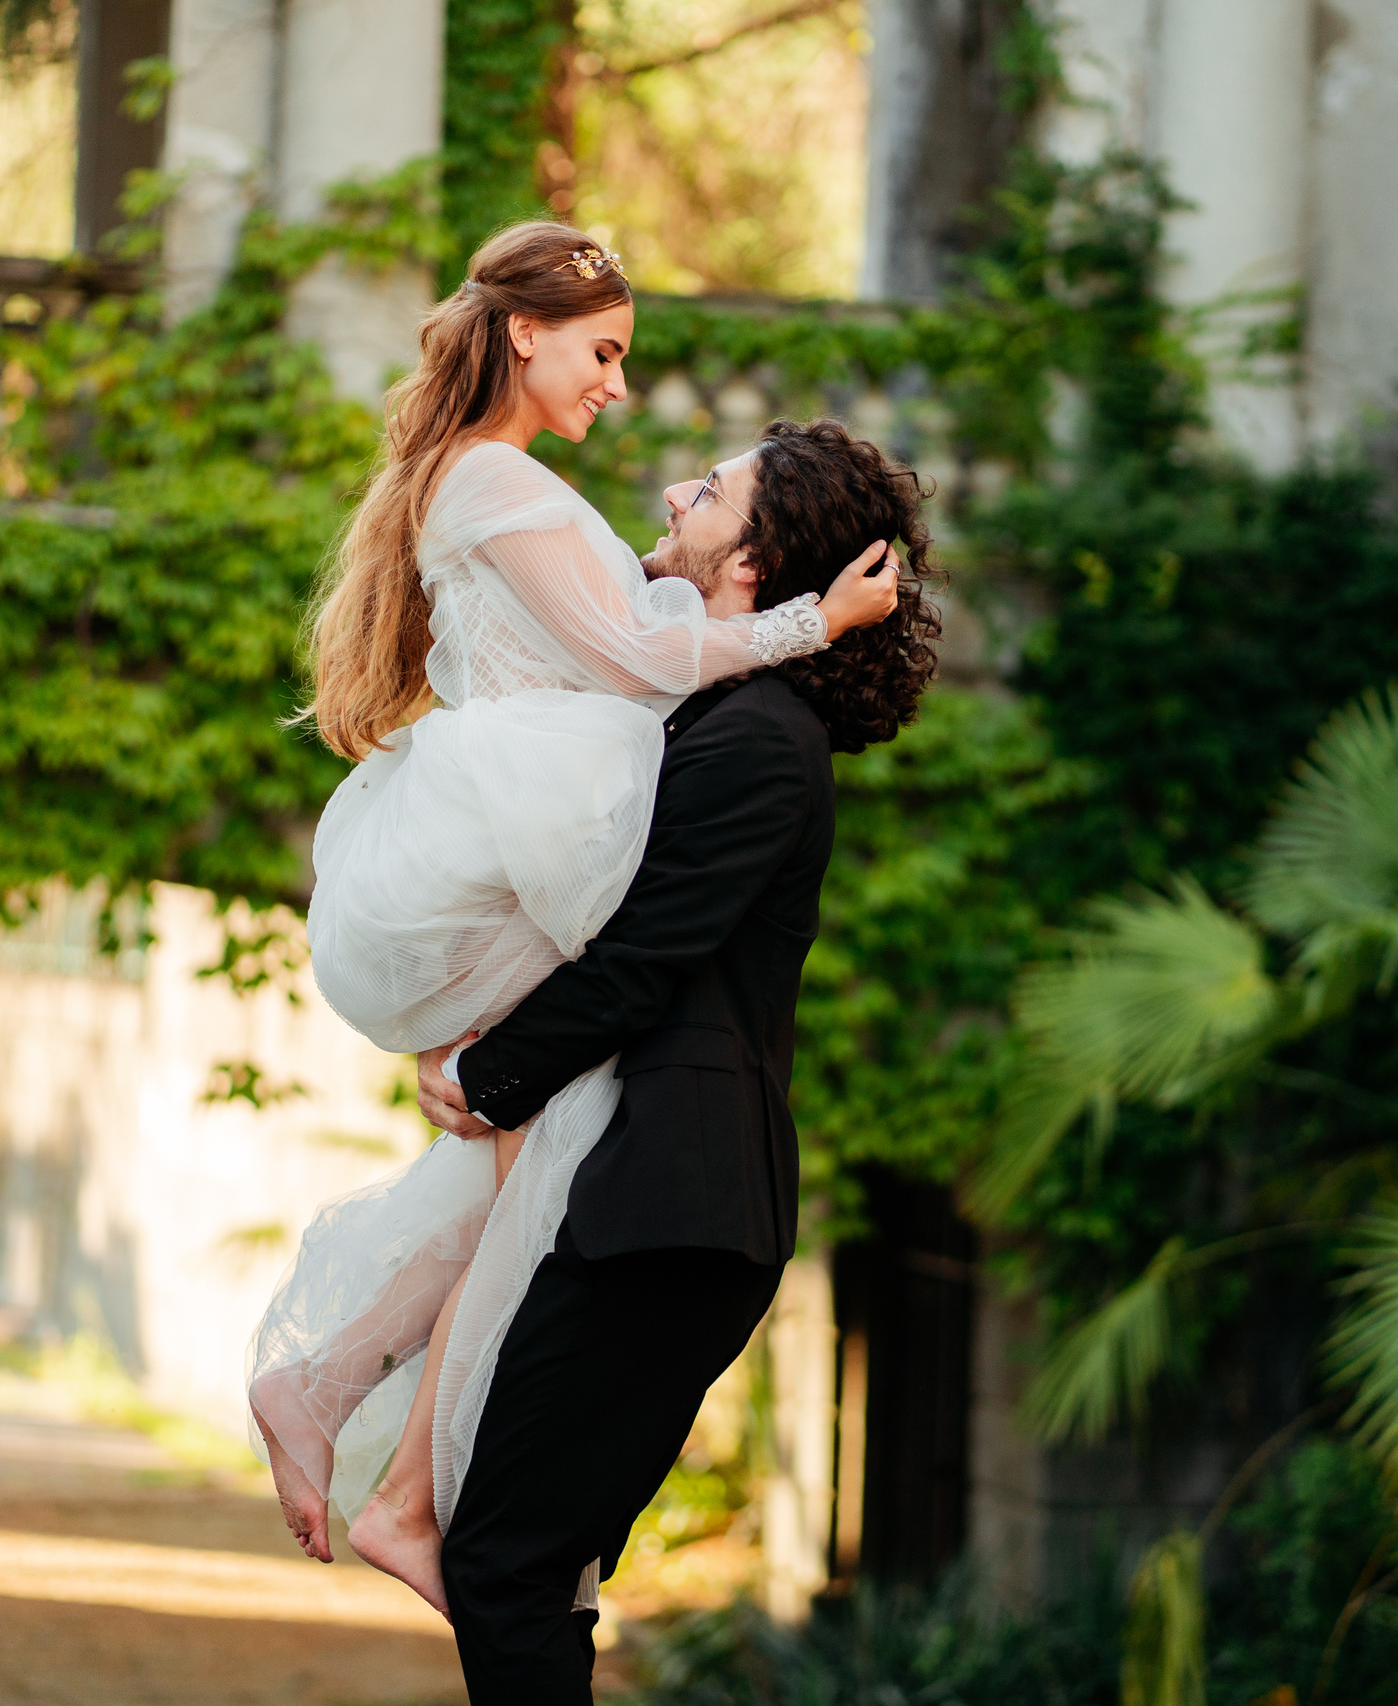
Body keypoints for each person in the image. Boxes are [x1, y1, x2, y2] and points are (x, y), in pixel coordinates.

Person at [240, 222, 906, 1615]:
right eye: (603, 351)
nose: (617, 384)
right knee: (534, 1133)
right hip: (530, 817)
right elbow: (638, 653)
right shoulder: (492, 478)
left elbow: (638, 634)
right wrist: (812, 626)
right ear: (524, 335)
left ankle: (357, 1419)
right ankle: (392, 1467)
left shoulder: (508, 481)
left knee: (535, 1149)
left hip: (529, 811)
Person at [420, 414, 937, 1702]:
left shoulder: (761, 742)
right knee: (535, 1563)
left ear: (753, 558)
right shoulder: (724, 709)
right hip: (661, 1207)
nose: (672, 490)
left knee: (506, 1557)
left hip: (675, 1207)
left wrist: (491, 1080)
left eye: (709, 491)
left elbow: (644, 956)